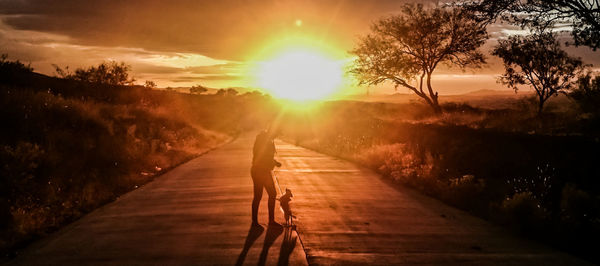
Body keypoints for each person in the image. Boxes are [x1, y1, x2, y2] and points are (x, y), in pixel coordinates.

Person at [251, 127, 282, 227]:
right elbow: (263, 156)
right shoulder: (265, 140)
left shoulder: (264, 139)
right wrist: (274, 163)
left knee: (258, 196)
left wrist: (274, 162)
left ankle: (255, 222)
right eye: (276, 134)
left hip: (257, 169)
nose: (276, 137)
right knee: (272, 193)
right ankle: (271, 221)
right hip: (261, 170)